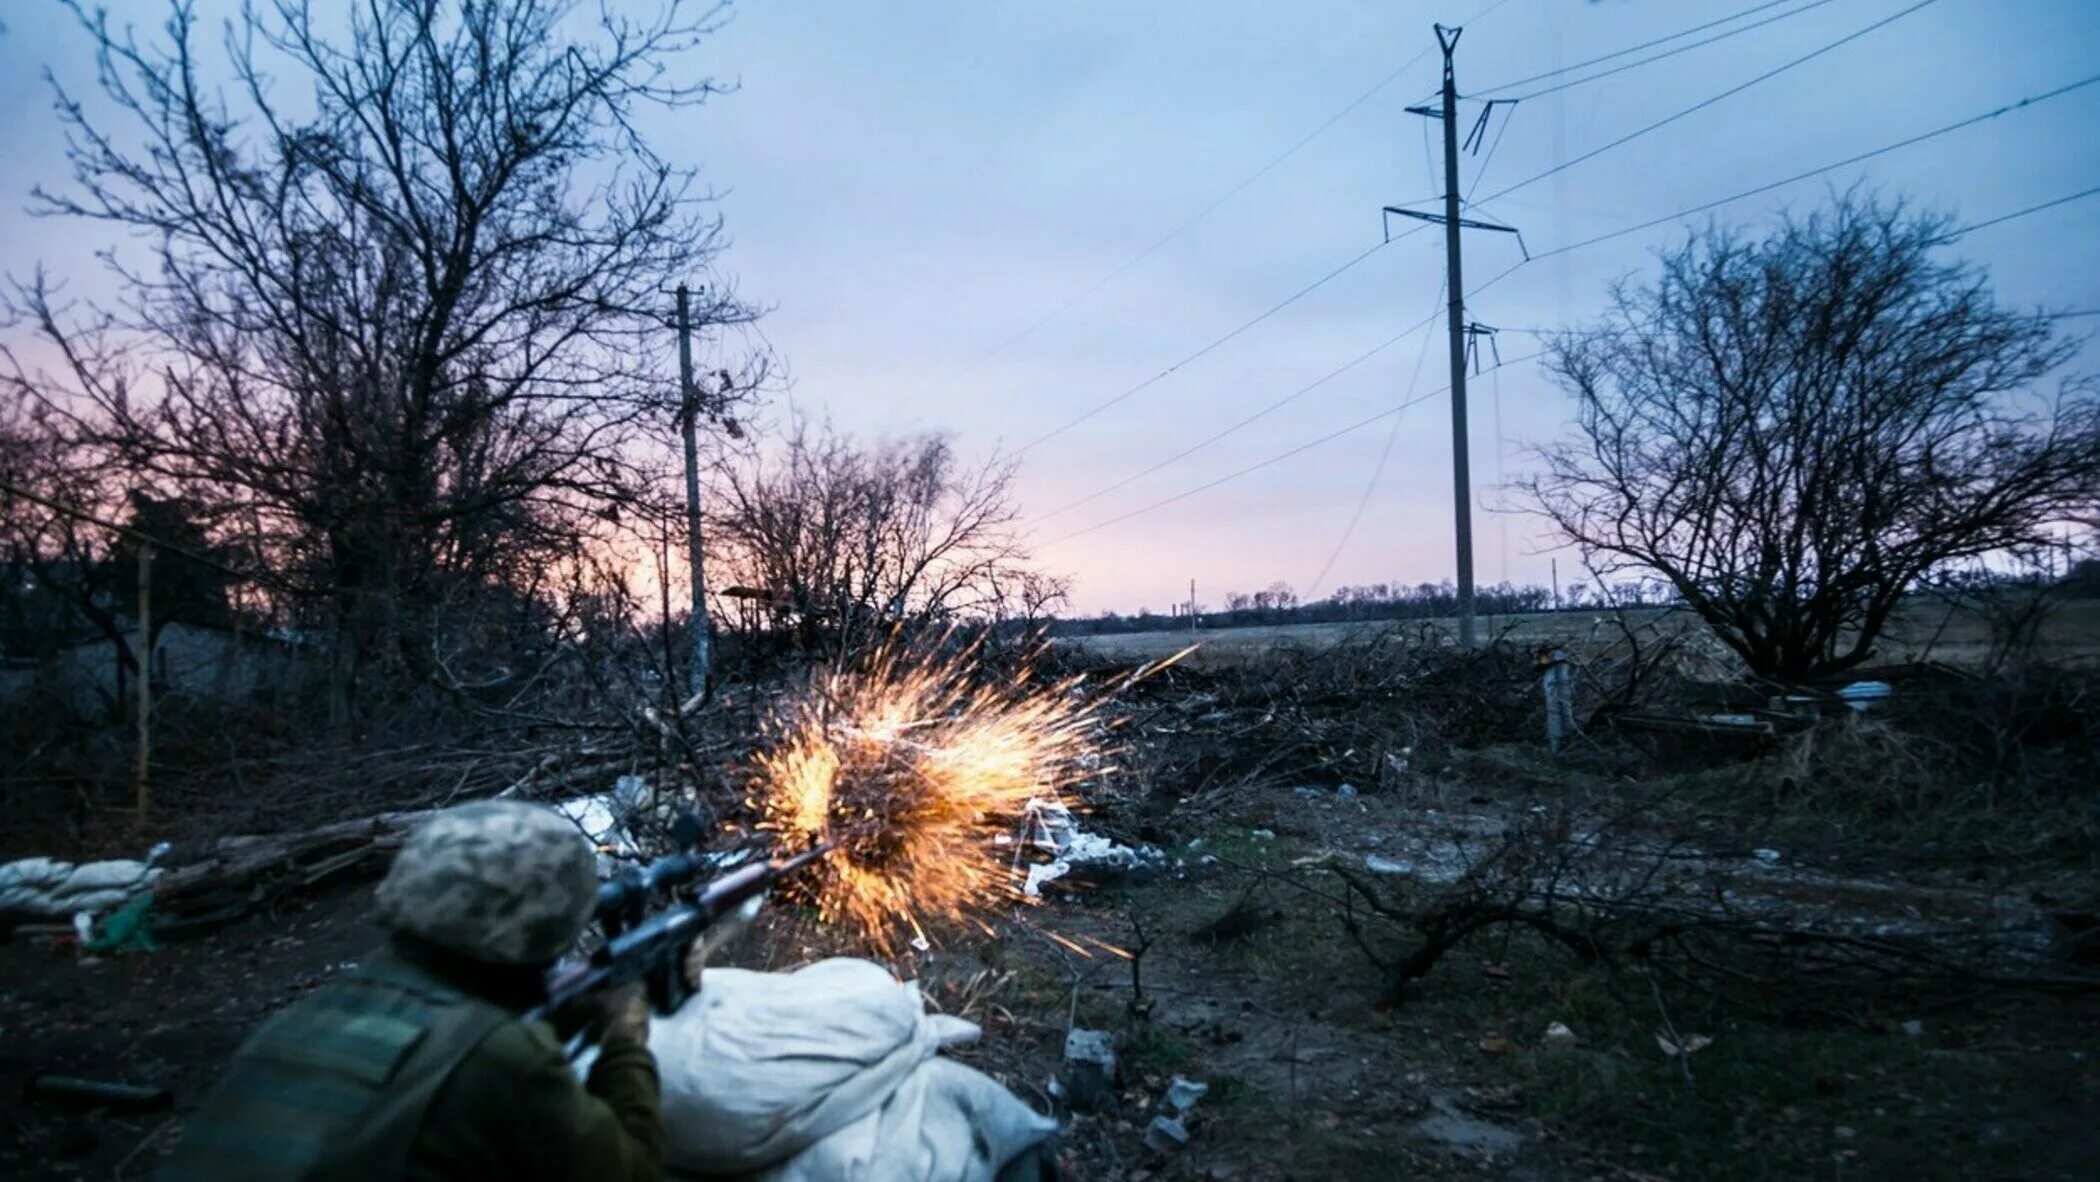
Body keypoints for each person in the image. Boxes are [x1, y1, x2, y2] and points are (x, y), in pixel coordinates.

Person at [159, 801, 665, 1182]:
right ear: (546, 923)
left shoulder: (308, 1015)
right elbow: (636, 1172)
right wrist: (623, 1041)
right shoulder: (503, 1057)